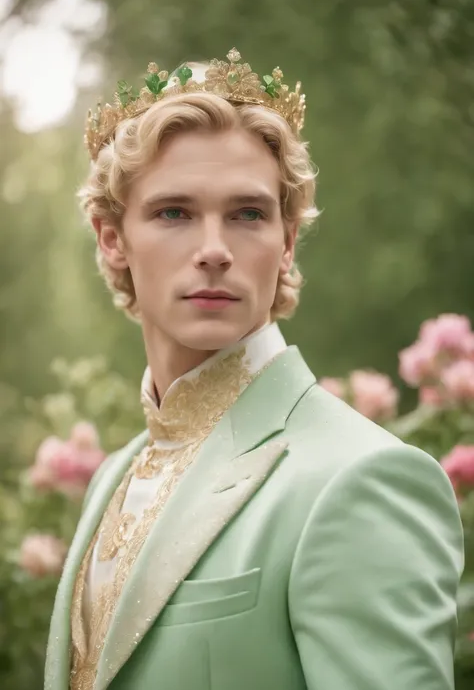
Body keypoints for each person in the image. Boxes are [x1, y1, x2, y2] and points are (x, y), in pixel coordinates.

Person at [45, 48, 464, 690]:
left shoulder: (362, 477)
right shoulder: (114, 475)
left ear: (287, 240)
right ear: (112, 237)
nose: (214, 251)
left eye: (247, 214)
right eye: (174, 212)